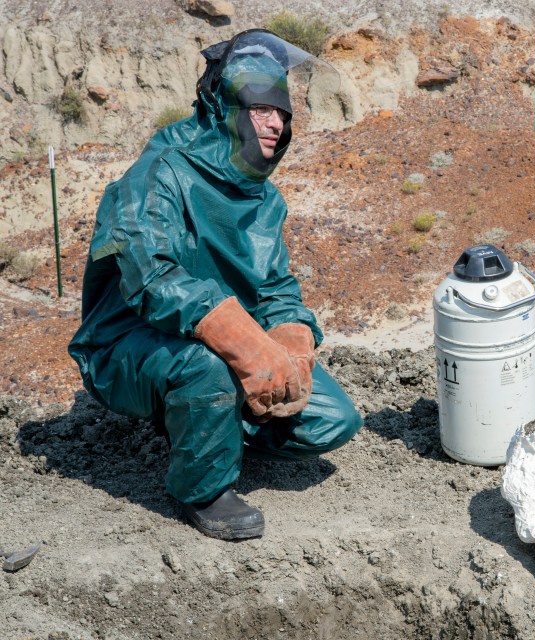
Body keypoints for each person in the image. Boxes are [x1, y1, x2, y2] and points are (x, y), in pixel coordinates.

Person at [68, 30, 362, 541]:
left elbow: (275, 286)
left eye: (285, 113)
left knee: (330, 418)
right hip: (125, 346)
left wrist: (291, 337)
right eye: (262, 108)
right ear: (222, 105)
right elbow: (152, 281)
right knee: (207, 368)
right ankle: (202, 488)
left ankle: (208, 426)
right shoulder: (157, 174)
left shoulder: (262, 199)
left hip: (218, 342)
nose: (277, 123)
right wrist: (242, 341)